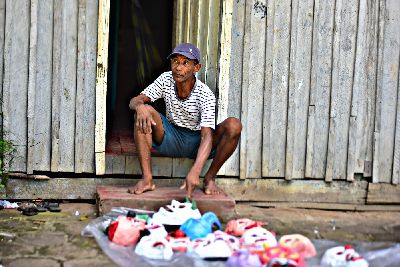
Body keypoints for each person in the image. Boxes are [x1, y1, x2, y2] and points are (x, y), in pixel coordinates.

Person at [128, 43, 242, 197]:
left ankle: (209, 178)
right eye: (175, 61)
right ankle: (147, 179)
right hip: (171, 137)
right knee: (143, 112)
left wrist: (195, 171)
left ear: (196, 68)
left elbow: (207, 135)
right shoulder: (166, 79)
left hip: (197, 142)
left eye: (185, 62)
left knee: (234, 125)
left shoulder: (204, 94)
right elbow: (135, 101)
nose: (178, 67)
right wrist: (140, 106)